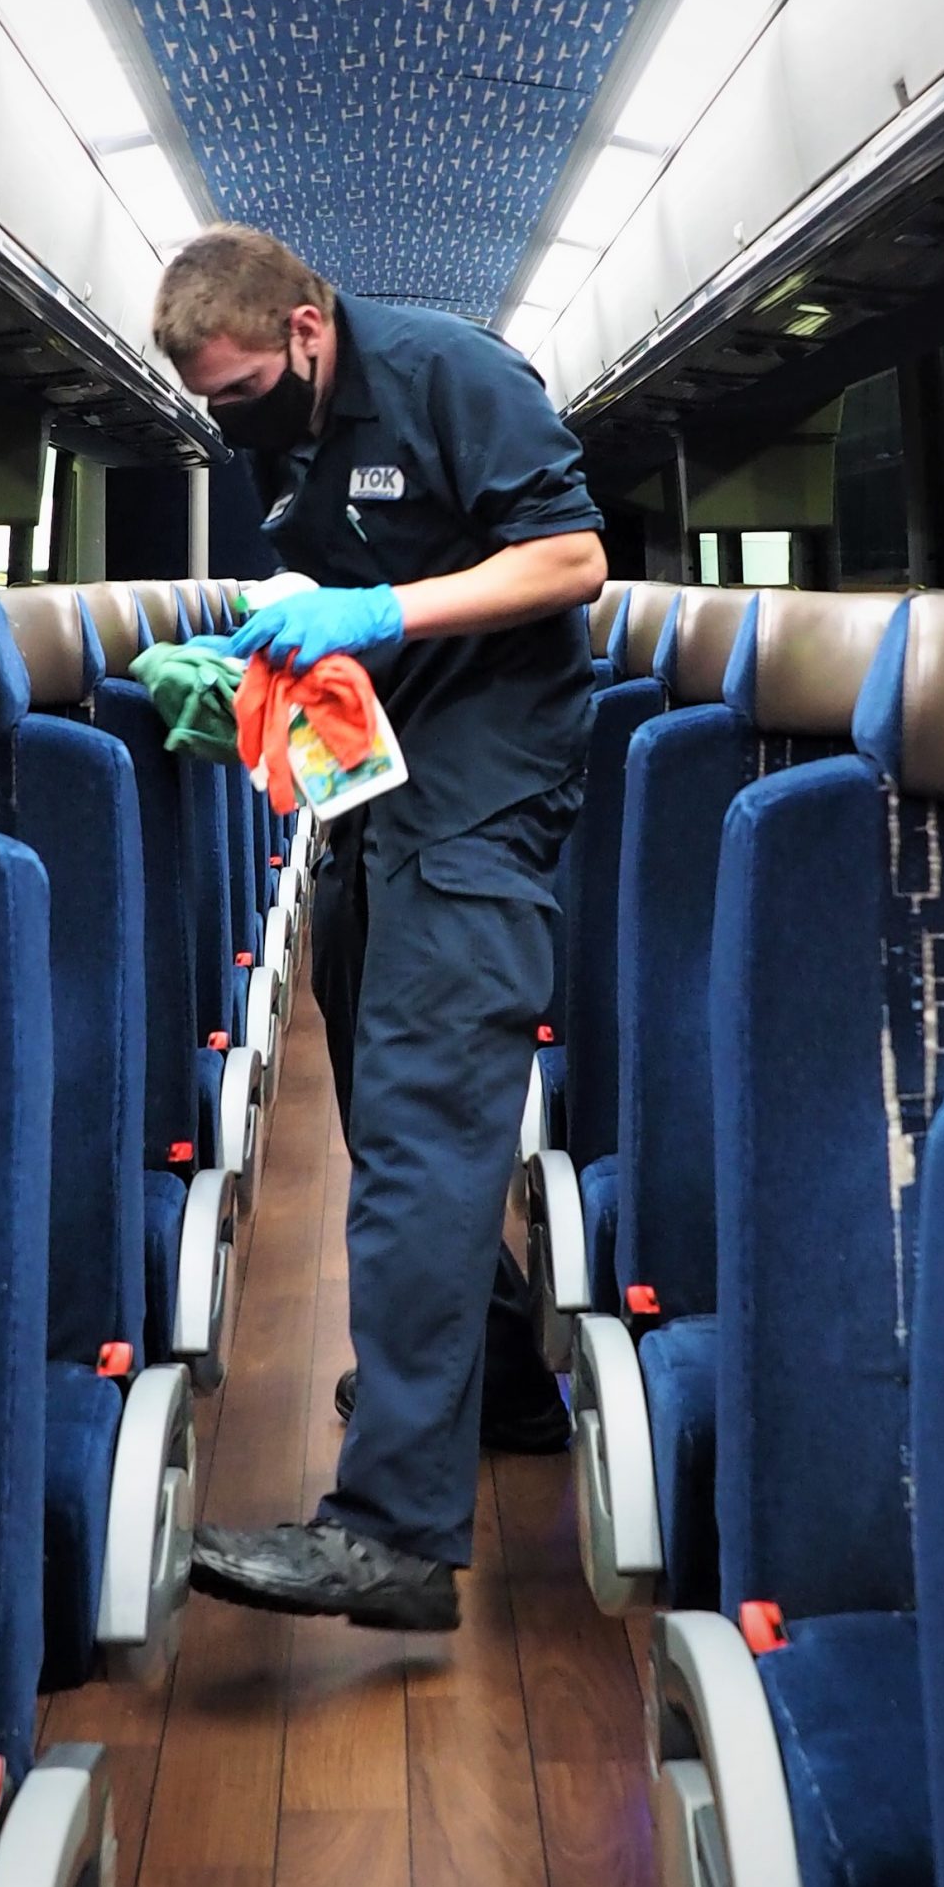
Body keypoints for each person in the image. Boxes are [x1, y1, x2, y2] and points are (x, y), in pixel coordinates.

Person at [155, 224, 607, 1631]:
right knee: (386, 1108)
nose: (230, 424)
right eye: (209, 407)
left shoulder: (451, 373)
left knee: (421, 1131)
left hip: (486, 795)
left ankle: (396, 1533)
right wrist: (267, 659)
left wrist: (380, 611)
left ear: (304, 328)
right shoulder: (280, 429)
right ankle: (508, 1393)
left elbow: (571, 560)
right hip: (383, 791)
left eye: (240, 392)